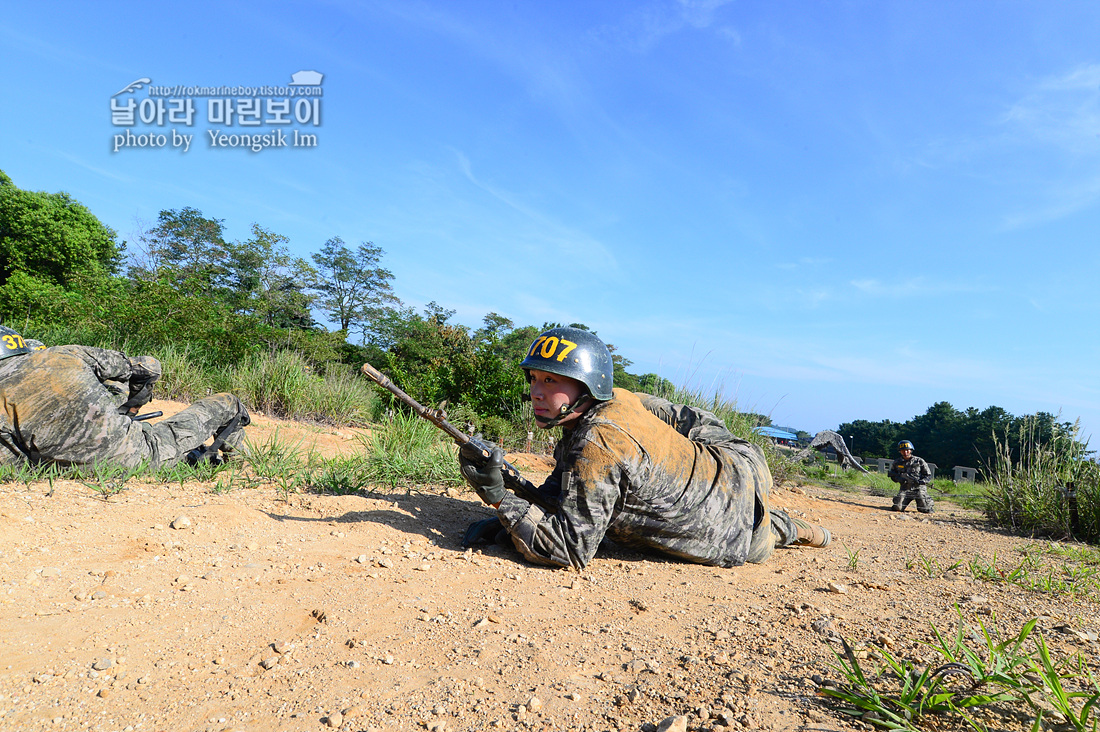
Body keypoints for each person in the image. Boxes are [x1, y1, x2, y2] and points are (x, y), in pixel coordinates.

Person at [458, 326, 831, 570]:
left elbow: (569, 548)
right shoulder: (610, 403)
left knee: (767, 531)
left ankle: (804, 530)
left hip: (737, 507)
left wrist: (499, 499)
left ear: (585, 387)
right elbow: (562, 499)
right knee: (646, 415)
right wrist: (515, 496)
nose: (537, 391)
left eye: (552, 380)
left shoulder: (598, 442)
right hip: (725, 466)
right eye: (535, 378)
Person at [0, 325, 250, 469]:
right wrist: (133, 407)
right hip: (142, 456)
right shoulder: (63, 354)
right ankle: (240, 469)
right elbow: (148, 367)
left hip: (65, 470)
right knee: (229, 403)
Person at [888, 440, 933, 513]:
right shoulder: (897, 462)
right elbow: (892, 475)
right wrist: (899, 479)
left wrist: (922, 481)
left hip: (919, 489)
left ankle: (927, 504)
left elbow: (928, 475)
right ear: (900, 451)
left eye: (907, 450)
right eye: (903, 451)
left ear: (911, 450)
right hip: (905, 489)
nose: (905, 452)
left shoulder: (919, 461)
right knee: (898, 507)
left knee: (925, 509)